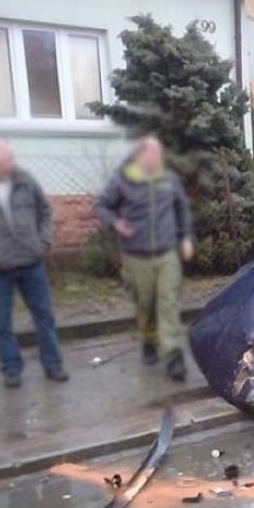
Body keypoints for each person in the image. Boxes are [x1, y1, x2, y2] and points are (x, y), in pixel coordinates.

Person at [0, 138, 69, 388]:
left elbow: (45, 212)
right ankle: (11, 369)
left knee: (44, 316)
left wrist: (44, 242)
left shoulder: (25, 180)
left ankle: (53, 364)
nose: (10, 165)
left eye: (11, 159)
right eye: (5, 162)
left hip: (31, 263)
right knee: (1, 322)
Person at [96, 137, 194, 381]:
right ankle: (149, 340)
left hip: (166, 253)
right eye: (151, 155)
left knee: (168, 301)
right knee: (145, 304)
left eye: (158, 155)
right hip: (136, 255)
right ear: (140, 156)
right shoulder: (123, 179)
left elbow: (181, 209)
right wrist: (115, 223)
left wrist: (186, 238)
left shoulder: (168, 179)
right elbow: (102, 207)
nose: (156, 159)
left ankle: (173, 356)